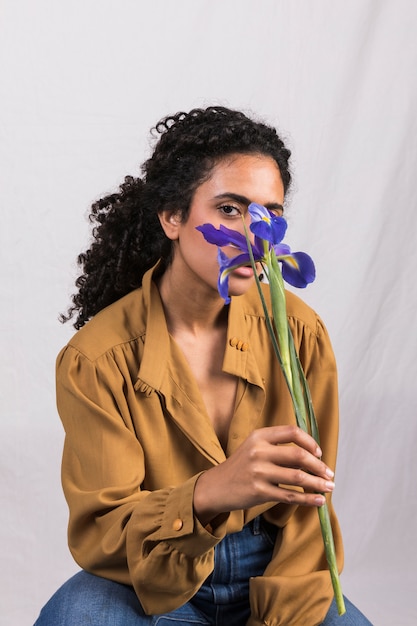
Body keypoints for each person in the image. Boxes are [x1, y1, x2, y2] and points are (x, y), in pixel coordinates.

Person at [35, 107, 372, 625]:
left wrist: (277, 618)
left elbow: (311, 510)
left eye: (269, 216)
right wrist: (211, 491)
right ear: (173, 217)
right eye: (231, 210)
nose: (254, 240)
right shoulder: (96, 359)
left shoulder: (300, 334)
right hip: (148, 580)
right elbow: (104, 532)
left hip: (276, 567)